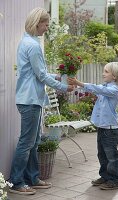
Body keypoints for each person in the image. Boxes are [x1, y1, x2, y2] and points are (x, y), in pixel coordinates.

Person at [9, 7, 74, 195]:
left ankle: (32, 177)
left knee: (34, 140)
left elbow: (37, 73)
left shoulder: (29, 41)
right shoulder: (33, 45)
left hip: (31, 98)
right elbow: (41, 76)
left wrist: (56, 75)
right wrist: (63, 86)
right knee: (26, 142)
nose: (47, 27)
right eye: (46, 24)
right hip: (29, 100)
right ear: (37, 23)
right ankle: (16, 182)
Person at [68, 62, 118, 190]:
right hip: (102, 127)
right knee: (102, 154)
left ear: (115, 76)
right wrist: (76, 87)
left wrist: (80, 83)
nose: (103, 73)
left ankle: (114, 180)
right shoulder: (105, 87)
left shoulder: (113, 89)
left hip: (110, 130)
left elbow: (98, 89)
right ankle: (105, 176)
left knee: (111, 156)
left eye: (106, 71)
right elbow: (94, 89)